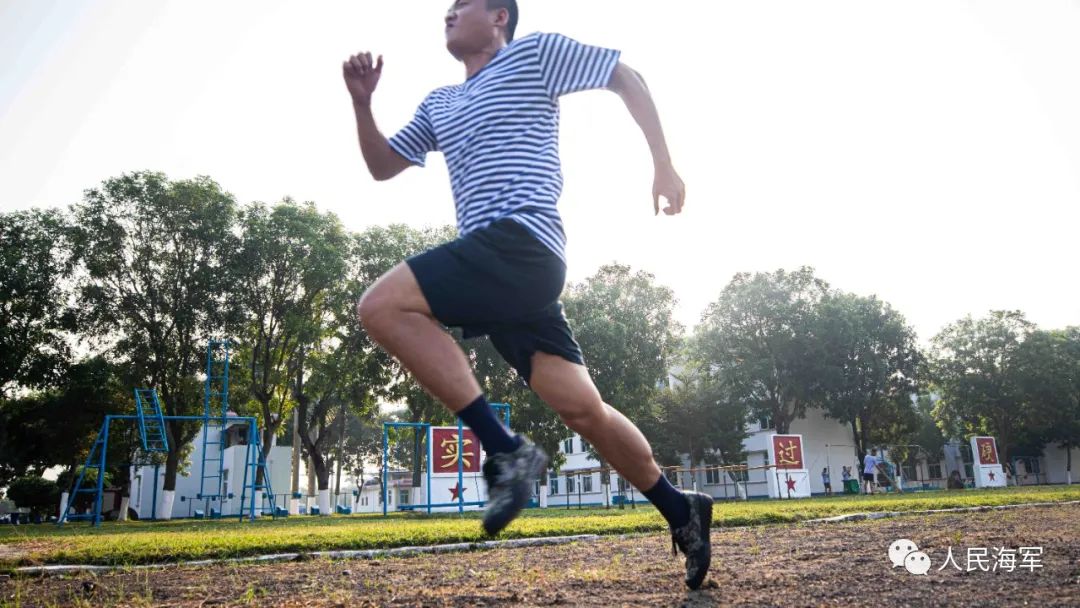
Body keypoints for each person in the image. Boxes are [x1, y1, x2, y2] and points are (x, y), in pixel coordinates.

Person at [342, 0, 710, 590]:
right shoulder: (440, 102)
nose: (448, 13)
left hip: (523, 242)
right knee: (582, 409)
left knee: (381, 306)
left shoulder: (534, 56)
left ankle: (505, 450)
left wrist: (663, 165)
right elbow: (383, 165)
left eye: (462, 5)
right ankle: (680, 507)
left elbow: (626, 77)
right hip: (507, 275)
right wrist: (363, 104)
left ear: (499, 18)